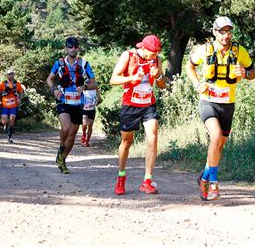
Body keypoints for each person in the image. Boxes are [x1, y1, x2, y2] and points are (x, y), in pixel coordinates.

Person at [185, 16, 255, 201]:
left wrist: (246, 73)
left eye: (229, 31)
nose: (226, 35)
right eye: (222, 31)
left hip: (227, 104)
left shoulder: (239, 51)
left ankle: (204, 177)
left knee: (219, 145)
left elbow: (253, 71)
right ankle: (214, 183)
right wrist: (197, 84)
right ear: (214, 32)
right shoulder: (205, 50)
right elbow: (190, 66)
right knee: (215, 136)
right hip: (208, 101)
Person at [110, 34, 167, 195]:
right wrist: (133, 77)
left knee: (153, 138)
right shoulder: (128, 55)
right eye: (151, 53)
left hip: (148, 104)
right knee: (127, 142)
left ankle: (147, 181)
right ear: (142, 48)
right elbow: (113, 79)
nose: (153, 56)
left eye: (156, 54)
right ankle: (121, 177)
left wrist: (158, 76)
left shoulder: (157, 60)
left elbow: (162, 85)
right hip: (130, 105)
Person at [46, 36, 98, 174]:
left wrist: (85, 87)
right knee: (66, 127)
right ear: (66, 48)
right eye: (70, 46)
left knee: (73, 136)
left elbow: (94, 83)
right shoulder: (59, 63)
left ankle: (62, 160)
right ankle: (61, 147)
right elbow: (50, 79)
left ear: (78, 48)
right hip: (63, 101)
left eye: (75, 46)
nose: (73, 49)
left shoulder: (84, 64)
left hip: (78, 103)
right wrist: (54, 90)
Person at [0, 69, 24, 143]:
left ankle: (9, 138)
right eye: (9, 74)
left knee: (12, 119)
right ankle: (6, 124)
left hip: (13, 105)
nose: (11, 75)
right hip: (5, 105)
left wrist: (19, 98)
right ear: (6, 76)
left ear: (14, 75)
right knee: (4, 121)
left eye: (12, 74)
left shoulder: (17, 84)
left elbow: (21, 93)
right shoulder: (3, 84)